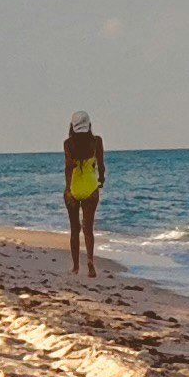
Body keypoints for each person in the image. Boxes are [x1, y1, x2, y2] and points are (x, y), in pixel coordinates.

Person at [62, 112, 107, 277]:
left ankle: (75, 267)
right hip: (90, 188)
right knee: (88, 228)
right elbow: (101, 166)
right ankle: (90, 261)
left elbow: (68, 168)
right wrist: (101, 180)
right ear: (89, 125)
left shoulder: (68, 144)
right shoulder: (96, 142)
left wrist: (68, 189)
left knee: (75, 229)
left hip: (74, 188)